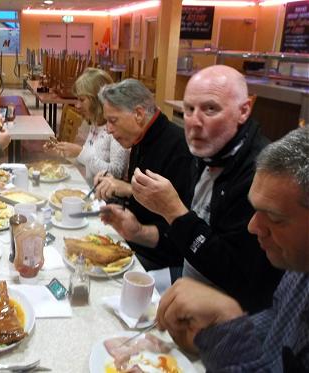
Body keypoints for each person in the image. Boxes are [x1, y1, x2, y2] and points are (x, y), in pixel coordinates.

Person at [104, 65, 283, 312]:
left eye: (210, 109)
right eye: (189, 109)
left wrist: (174, 212)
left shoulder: (260, 175)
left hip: (225, 311)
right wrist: (137, 231)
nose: (194, 122)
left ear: (244, 110)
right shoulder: (205, 154)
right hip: (185, 277)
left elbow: (239, 278)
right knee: (106, 294)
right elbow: (181, 241)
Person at [156, 127, 309, 372]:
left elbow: (234, 269)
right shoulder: (298, 270)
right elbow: (274, 326)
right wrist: (214, 334)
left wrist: (227, 320)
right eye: (189, 109)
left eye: (275, 218)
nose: (253, 226)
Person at [96, 78, 193, 271]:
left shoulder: (179, 147)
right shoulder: (140, 139)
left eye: (112, 120)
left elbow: (180, 228)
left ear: (139, 114)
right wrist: (117, 186)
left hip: (159, 257)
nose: (108, 129)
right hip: (134, 238)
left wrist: (129, 189)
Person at [45, 68, 129, 186]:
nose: (77, 105)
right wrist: (63, 152)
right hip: (92, 191)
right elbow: (88, 163)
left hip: (107, 200)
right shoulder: (95, 125)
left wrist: (81, 152)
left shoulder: (115, 130)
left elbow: (116, 173)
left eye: (82, 100)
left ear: (97, 100)